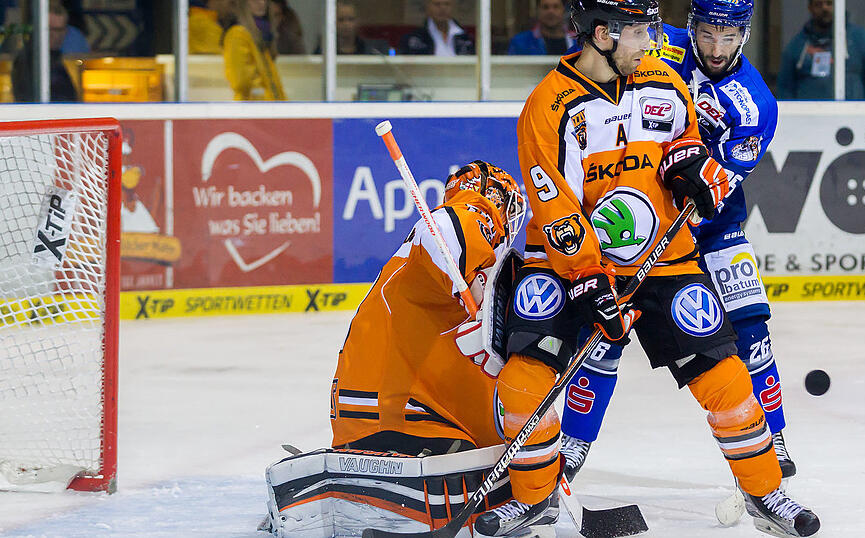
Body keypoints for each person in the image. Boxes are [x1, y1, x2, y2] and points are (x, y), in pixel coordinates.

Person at [502, 1, 821, 537]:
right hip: (568, 262)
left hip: (666, 261)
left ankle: (766, 491)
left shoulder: (661, 78)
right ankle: (534, 499)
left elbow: (683, 142)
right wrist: (587, 281)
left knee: (726, 376)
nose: (651, 41)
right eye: (638, 31)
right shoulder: (548, 104)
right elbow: (553, 202)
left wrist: (690, 168)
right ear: (601, 35)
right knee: (525, 379)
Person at [329, 161, 532, 535]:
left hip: (359, 419)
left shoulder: (406, 261)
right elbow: (448, 229)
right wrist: (465, 280)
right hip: (413, 421)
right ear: (494, 198)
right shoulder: (471, 214)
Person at [777, 0, 865, 100]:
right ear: (810, 8)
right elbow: (784, 87)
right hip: (809, 119)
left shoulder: (860, 39)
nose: (824, 8)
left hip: (851, 119)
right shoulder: (797, 46)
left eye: (829, 3)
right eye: (818, 4)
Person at [12, 0, 78, 102]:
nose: (52, 35)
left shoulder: (53, 59)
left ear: (65, 31)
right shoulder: (30, 60)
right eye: (48, 29)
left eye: (57, 30)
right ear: (38, 29)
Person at [221, 0, 286, 101]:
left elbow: (270, 80)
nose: (261, 2)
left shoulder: (262, 34)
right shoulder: (237, 35)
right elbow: (242, 82)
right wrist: (266, 101)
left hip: (269, 108)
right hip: (254, 109)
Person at [399, 0, 474, 56]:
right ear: (428, 7)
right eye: (437, 4)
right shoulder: (415, 39)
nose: (442, 8)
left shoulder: (466, 38)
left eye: (447, 4)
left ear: (453, 7)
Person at [314, 1, 390, 55]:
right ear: (333, 23)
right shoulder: (324, 51)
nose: (346, 24)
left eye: (351, 19)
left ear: (358, 21)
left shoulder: (373, 50)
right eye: (341, 20)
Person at [507, 0, 575, 56]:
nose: (551, 11)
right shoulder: (520, 42)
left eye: (556, 7)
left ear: (564, 10)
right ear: (537, 11)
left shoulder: (579, 41)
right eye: (545, 7)